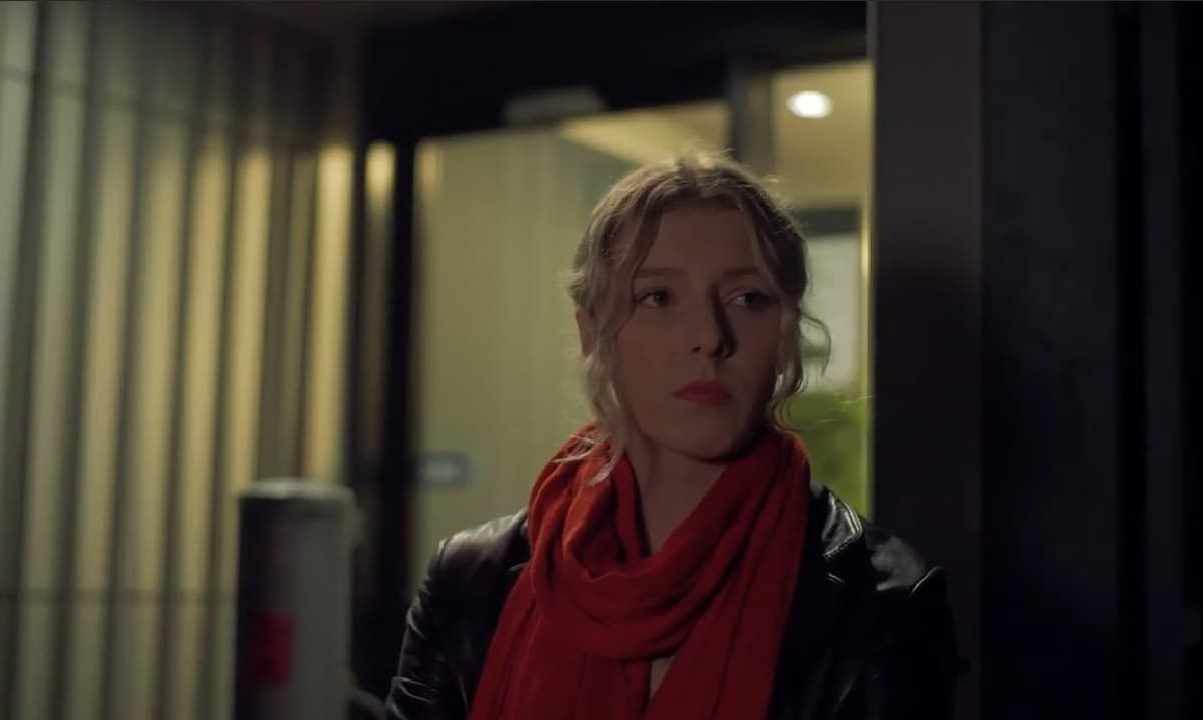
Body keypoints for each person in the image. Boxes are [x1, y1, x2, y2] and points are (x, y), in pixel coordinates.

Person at [383, 153, 959, 720]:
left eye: (747, 299)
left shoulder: (881, 603)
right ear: (591, 332)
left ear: (786, 330)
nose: (709, 336)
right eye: (657, 297)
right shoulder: (472, 582)